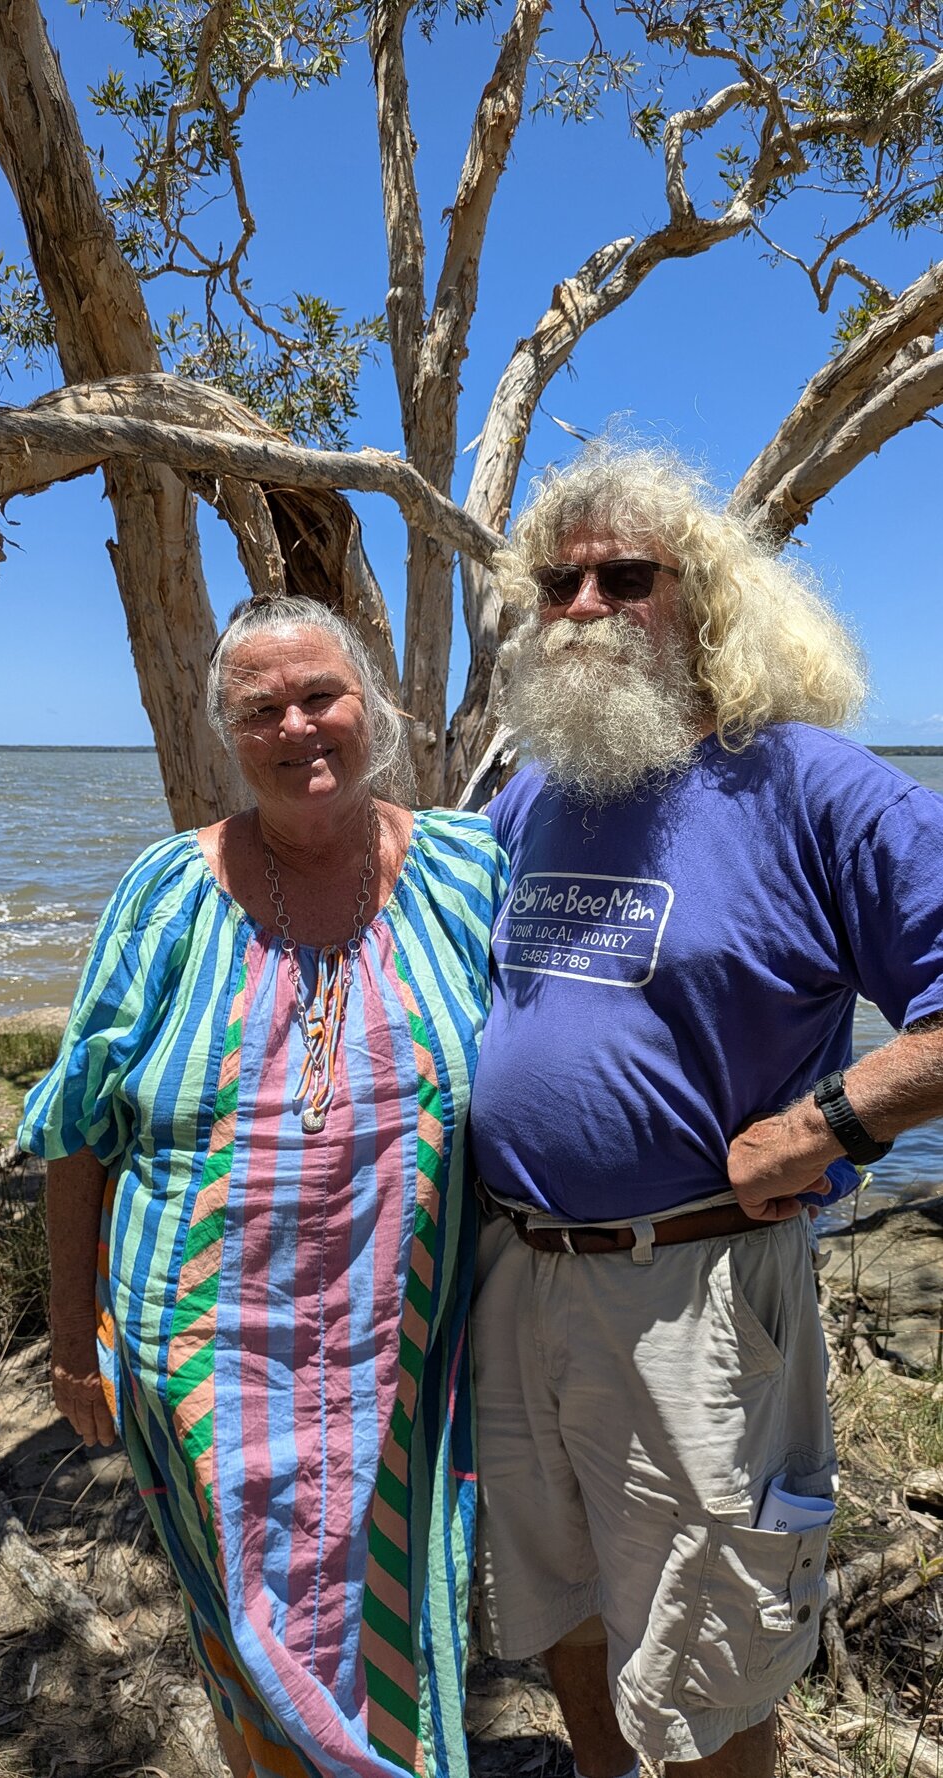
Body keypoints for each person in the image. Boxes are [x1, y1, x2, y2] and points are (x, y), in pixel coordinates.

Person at [467, 442, 943, 1778]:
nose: (582, 606)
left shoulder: (806, 784)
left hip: (695, 1296)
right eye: (557, 581)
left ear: (707, 602)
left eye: (627, 576)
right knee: (560, 1612)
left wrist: (834, 1124)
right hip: (516, 1280)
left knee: (711, 1666)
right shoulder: (537, 792)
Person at [19, 595, 507, 1778]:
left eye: (319, 695)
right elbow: (78, 1124)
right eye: (261, 709)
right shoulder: (169, 891)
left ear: (375, 706)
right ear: (230, 736)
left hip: (411, 1345)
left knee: (407, 1601)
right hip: (203, 1347)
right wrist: (72, 1335)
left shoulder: (466, 869)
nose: (297, 726)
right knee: (248, 1623)